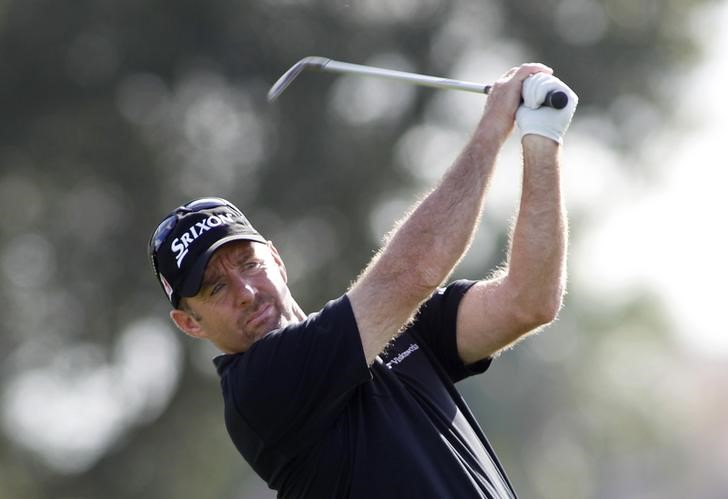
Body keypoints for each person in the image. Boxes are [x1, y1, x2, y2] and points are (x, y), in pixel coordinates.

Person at [148, 63, 578, 499]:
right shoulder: (258, 388)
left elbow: (529, 301)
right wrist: (492, 127)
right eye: (215, 288)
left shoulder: (385, 327)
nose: (244, 291)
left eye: (248, 263)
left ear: (277, 260)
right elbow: (415, 273)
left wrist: (541, 138)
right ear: (190, 324)